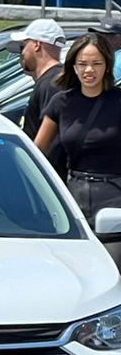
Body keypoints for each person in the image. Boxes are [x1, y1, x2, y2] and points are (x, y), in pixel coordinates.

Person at [34, 34, 121, 256]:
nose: (89, 70)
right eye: (82, 64)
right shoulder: (61, 102)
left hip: (114, 196)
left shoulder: (118, 101)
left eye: (96, 64)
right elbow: (36, 154)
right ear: (73, 66)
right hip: (73, 197)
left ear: (107, 66)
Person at [16, 18, 68, 138]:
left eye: (24, 45)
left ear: (37, 45)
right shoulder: (54, 79)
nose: (22, 52)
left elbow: (51, 138)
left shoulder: (53, 83)